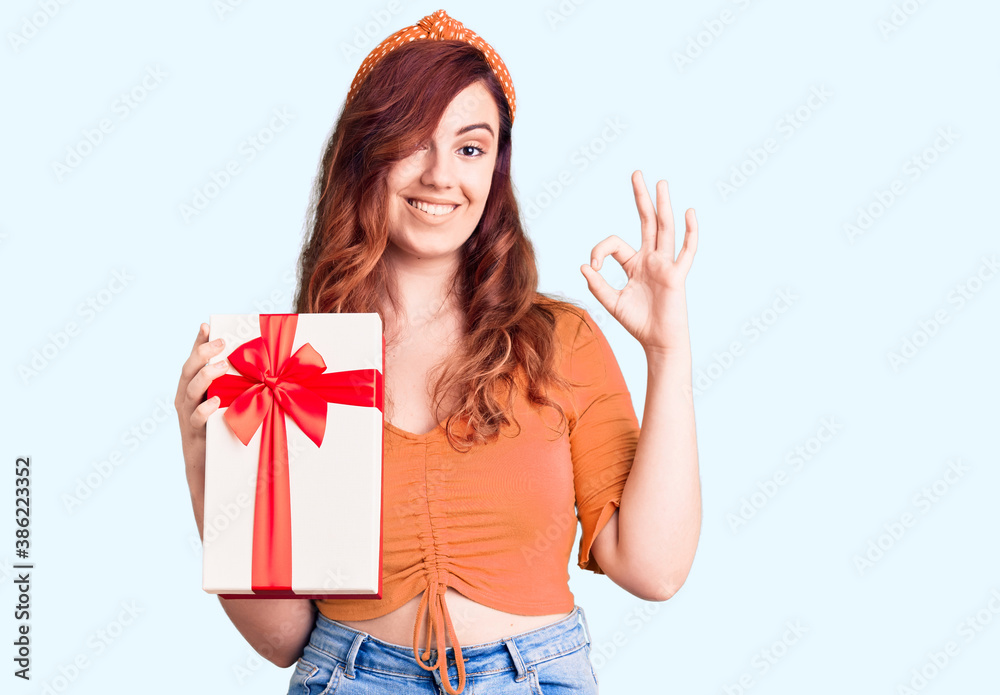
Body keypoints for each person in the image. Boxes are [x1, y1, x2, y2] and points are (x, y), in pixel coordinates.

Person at [175, 9, 702, 695]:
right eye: (412, 141)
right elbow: (282, 639)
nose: (440, 175)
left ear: (496, 170)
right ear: (367, 152)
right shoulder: (292, 364)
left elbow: (653, 567)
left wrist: (668, 350)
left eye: (470, 147)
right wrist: (206, 468)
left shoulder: (559, 341)